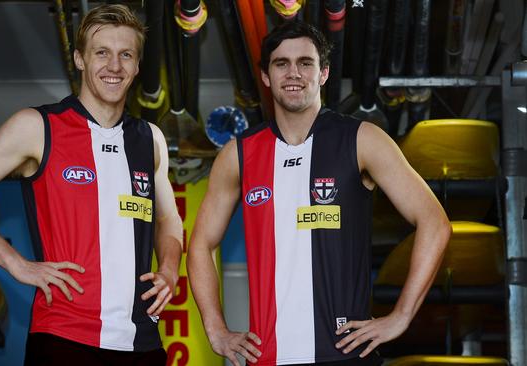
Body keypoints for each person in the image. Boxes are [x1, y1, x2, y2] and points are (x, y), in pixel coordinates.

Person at [0, 4, 182, 366]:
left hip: (142, 341)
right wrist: (17, 264)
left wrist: (170, 270)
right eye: (102, 53)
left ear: (138, 66)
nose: (115, 65)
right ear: (80, 59)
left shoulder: (150, 139)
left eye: (126, 54)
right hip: (64, 336)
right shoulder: (38, 126)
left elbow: (169, 220)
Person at [187, 21, 451, 366]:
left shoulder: (362, 140)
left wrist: (401, 316)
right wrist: (217, 330)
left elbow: (434, 222)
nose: (293, 73)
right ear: (266, 76)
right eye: (281, 63)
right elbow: (199, 245)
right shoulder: (238, 154)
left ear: (324, 73)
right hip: (268, 357)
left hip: (345, 355)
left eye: (305, 63)